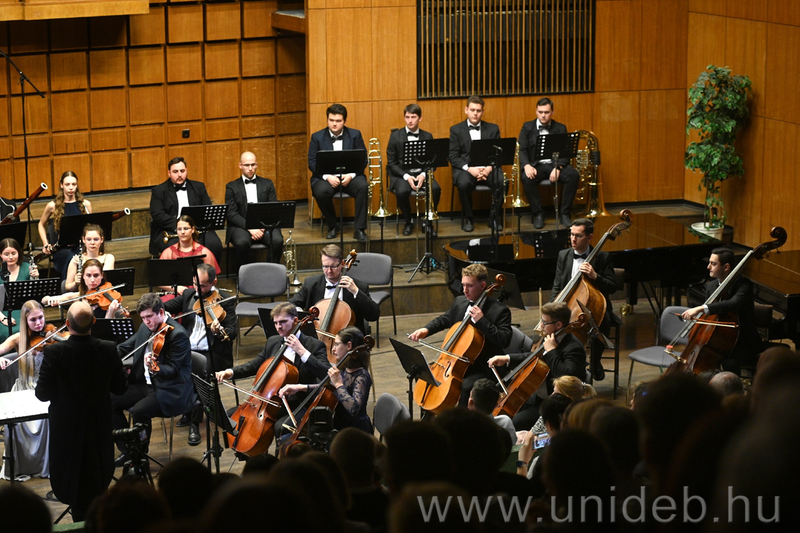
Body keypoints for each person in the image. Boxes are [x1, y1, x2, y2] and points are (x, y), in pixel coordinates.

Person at [34, 301, 127, 521]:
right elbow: (120, 388)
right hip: (98, 426)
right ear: (94, 322)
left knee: (71, 476)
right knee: (97, 476)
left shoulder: (54, 352)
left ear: (67, 324)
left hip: (66, 428)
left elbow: (42, 394)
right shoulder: (108, 348)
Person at [215, 302, 329, 445]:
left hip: (298, 403)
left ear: (295, 320)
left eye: (283, 322)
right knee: (232, 416)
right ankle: (249, 455)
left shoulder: (314, 345)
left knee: (280, 428)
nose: (278, 327)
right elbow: (255, 365)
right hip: (269, 400)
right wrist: (230, 372)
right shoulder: (273, 342)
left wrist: (302, 351)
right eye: (275, 323)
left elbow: (326, 374)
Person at [410, 263, 512, 408]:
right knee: (425, 375)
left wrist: (482, 321)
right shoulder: (460, 301)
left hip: (484, 366)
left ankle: (460, 418)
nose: (464, 290)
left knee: (466, 387)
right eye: (463, 285)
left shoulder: (500, 311)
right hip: (456, 361)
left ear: (483, 286)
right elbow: (445, 319)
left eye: (469, 285)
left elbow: (504, 340)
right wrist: (426, 330)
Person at [111, 293, 194, 464]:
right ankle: (128, 449)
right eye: (143, 318)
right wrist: (106, 354)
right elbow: (127, 346)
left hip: (169, 388)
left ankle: (140, 455)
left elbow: (172, 370)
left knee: (140, 410)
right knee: (109, 400)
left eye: (149, 316)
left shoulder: (177, 335)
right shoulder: (146, 327)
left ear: (161, 312)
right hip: (146, 383)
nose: (146, 321)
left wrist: (155, 368)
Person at [164, 263, 236, 445]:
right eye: (195, 283)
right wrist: (160, 311)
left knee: (197, 376)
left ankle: (194, 423)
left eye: (202, 286)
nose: (197, 289)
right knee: (174, 368)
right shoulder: (189, 295)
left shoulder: (225, 300)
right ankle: (188, 410)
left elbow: (232, 331)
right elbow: (167, 306)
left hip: (212, 352)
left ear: (213, 282)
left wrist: (218, 331)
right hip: (188, 349)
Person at [488, 302, 586, 430]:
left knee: (516, 422)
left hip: (555, 405)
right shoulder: (551, 337)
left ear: (558, 325)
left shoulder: (573, 347)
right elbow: (536, 356)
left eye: (545, 322)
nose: (541, 325)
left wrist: (551, 351)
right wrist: (507, 358)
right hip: (536, 397)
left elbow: (566, 376)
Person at [550, 217, 617, 381]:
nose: (573, 239)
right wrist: (553, 306)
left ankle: (595, 361)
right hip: (568, 304)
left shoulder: (603, 257)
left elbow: (613, 287)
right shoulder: (564, 255)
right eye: (571, 234)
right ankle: (562, 363)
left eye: (578, 236)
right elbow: (557, 285)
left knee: (604, 320)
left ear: (590, 237)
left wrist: (595, 276)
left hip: (595, 306)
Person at [681, 247, 762, 375]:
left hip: (742, 341)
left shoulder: (743, 284)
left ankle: (732, 386)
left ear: (726, 267)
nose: (708, 267)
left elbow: (734, 303)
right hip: (720, 338)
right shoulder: (712, 286)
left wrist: (701, 308)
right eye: (709, 263)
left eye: (713, 264)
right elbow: (710, 317)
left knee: (728, 362)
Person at [280, 326, 372, 433]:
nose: (333, 349)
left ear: (349, 346)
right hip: (339, 425)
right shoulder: (344, 368)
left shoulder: (362, 376)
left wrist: (338, 384)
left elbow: (353, 409)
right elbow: (329, 388)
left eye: (337, 344)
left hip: (355, 432)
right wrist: (300, 387)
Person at [0, 301, 53, 481]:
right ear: (25, 321)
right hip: (23, 389)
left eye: (41, 318)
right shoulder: (17, 339)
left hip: (44, 389)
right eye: (33, 320)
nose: (39, 323)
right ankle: (22, 465)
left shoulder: (51, 336)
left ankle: (45, 465)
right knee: (15, 423)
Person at [308, 103, 369, 242]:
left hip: (350, 176)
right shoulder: (317, 137)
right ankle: (333, 226)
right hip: (326, 178)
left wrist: (351, 175)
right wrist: (327, 177)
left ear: (345, 121)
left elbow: (363, 159)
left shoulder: (355, 135)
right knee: (320, 191)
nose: (334, 124)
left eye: (338, 121)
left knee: (363, 187)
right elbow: (311, 162)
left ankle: (359, 229)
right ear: (327, 119)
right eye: (331, 120)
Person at [518, 96, 581, 229]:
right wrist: (527, 166)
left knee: (573, 175)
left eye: (546, 112)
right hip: (536, 166)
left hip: (555, 164)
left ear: (552, 112)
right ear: (536, 111)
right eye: (540, 112)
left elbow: (565, 152)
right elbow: (522, 149)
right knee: (526, 178)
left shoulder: (560, 128)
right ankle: (538, 214)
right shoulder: (527, 127)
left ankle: (565, 213)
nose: (543, 115)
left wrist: (558, 167)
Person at [289, 244, 380, 336]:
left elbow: (373, 316)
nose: (329, 271)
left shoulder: (358, 286)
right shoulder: (311, 284)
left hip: (348, 340)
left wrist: (356, 292)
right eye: (325, 266)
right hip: (316, 338)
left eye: (333, 266)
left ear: (342, 264)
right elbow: (291, 305)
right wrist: (303, 315)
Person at [149, 156, 224, 265]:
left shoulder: (199, 187)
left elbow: (207, 209)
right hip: (171, 229)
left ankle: (209, 274)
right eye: (175, 172)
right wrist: (181, 226)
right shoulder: (159, 190)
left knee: (214, 244)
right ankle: (183, 275)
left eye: (182, 171)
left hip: (197, 228)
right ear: (169, 173)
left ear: (186, 171)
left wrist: (192, 228)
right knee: (178, 250)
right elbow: (158, 215)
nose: (179, 175)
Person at [387, 103, 441, 236]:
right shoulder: (395, 136)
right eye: (407, 117)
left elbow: (433, 162)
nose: (410, 120)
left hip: (422, 173)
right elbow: (392, 163)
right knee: (402, 191)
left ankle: (427, 222)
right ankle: (408, 222)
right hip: (402, 175)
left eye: (413, 117)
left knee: (435, 189)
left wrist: (423, 174)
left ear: (420, 118)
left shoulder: (427, 136)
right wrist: (406, 176)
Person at [448, 95, 501, 232]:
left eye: (478, 110)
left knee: (502, 181)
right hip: (466, 169)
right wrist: (469, 169)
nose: (475, 113)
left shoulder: (493, 129)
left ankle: (494, 217)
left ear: (482, 112)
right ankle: (469, 218)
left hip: (488, 167)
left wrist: (488, 169)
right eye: (472, 110)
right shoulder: (456, 130)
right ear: (466, 110)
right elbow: (453, 156)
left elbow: (498, 154)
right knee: (464, 184)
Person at [225, 151, 284, 268]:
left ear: (257, 165)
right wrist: (250, 227)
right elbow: (231, 213)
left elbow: (273, 208)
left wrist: (261, 227)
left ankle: (271, 272)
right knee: (241, 242)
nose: (250, 168)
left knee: (277, 240)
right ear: (240, 165)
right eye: (247, 165)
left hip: (265, 225)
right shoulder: (231, 186)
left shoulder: (267, 184)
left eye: (253, 165)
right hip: (241, 226)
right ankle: (246, 275)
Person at [37, 170, 91, 279]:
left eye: (74, 184)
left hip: (80, 246)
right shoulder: (52, 205)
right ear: (61, 185)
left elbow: (91, 228)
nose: (71, 188)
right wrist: (45, 243)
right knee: (72, 258)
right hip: (61, 249)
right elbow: (41, 225)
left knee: (85, 258)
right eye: (67, 184)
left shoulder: (85, 204)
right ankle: (68, 285)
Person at [158, 214, 221, 295]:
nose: (182, 232)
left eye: (186, 228)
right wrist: (176, 288)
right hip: (174, 293)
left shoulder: (205, 253)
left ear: (193, 229)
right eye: (179, 229)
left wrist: (197, 288)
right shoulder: (168, 253)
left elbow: (213, 279)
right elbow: (159, 280)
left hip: (199, 293)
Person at [43, 258, 123, 319]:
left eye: (96, 275)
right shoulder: (78, 297)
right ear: (83, 276)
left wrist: (111, 312)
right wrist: (49, 299)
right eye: (88, 275)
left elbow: (108, 328)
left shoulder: (110, 295)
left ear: (102, 275)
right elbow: (44, 300)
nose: (92, 280)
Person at [0, 238, 39, 343]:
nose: (11, 257)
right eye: (6, 254)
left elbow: (35, 295)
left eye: (14, 253)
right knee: (5, 332)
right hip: (2, 313)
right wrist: (3, 318)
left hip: (25, 310)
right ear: (0, 255)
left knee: (31, 328)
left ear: (19, 253)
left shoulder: (27, 268)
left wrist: (35, 279)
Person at [64, 224, 116, 292]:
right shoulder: (76, 260)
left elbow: (104, 281)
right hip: (82, 295)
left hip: (101, 295)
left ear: (102, 239)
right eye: (89, 239)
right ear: (83, 240)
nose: (92, 242)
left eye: (96, 239)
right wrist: (75, 283)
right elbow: (67, 287)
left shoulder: (108, 258)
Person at [468, 378, 517, 445]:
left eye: (470, 396)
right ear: (496, 405)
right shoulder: (506, 422)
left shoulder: (465, 430)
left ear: (471, 402)